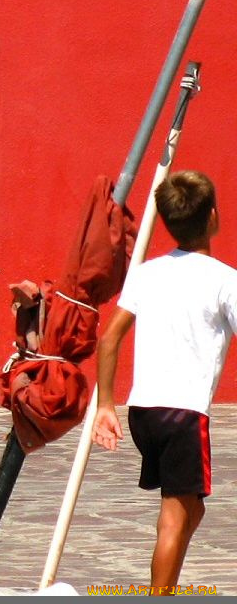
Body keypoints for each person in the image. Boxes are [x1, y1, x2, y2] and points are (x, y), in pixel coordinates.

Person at [94, 171, 237, 593]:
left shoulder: (147, 273)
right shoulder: (224, 279)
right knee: (174, 518)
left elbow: (109, 338)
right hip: (184, 414)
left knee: (191, 511)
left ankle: (168, 587)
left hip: (143, 412)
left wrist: (105, 405)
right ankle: (160, 596)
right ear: (213, 217)